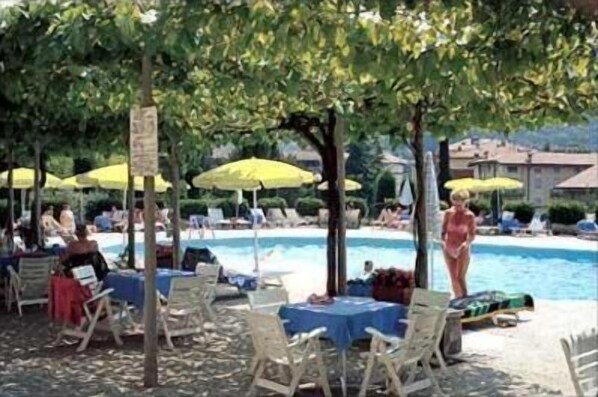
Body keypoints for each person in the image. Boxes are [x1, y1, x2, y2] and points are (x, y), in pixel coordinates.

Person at [441, 190, 476, 298]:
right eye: (455, 200)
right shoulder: (448, 213)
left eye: (460, 201)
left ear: (465, 201)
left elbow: (472, 235)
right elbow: (443, 231)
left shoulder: (469, 216)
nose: (457, 203)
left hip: (462, 249)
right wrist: (443, 243)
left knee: (460, 277)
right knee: (453, 278)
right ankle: (457, 300)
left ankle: (465, 301)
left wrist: (466, 244)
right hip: (448, 249)